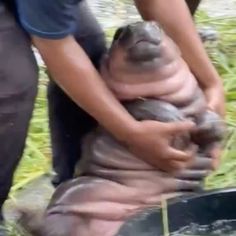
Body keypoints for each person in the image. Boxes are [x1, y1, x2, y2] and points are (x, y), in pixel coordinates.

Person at [0, 0, 225, 234]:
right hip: (99, 203)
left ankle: (69, 177)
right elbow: (54, 46)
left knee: (87, 44)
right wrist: (129, 131)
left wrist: (211, 83)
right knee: (10, 83)